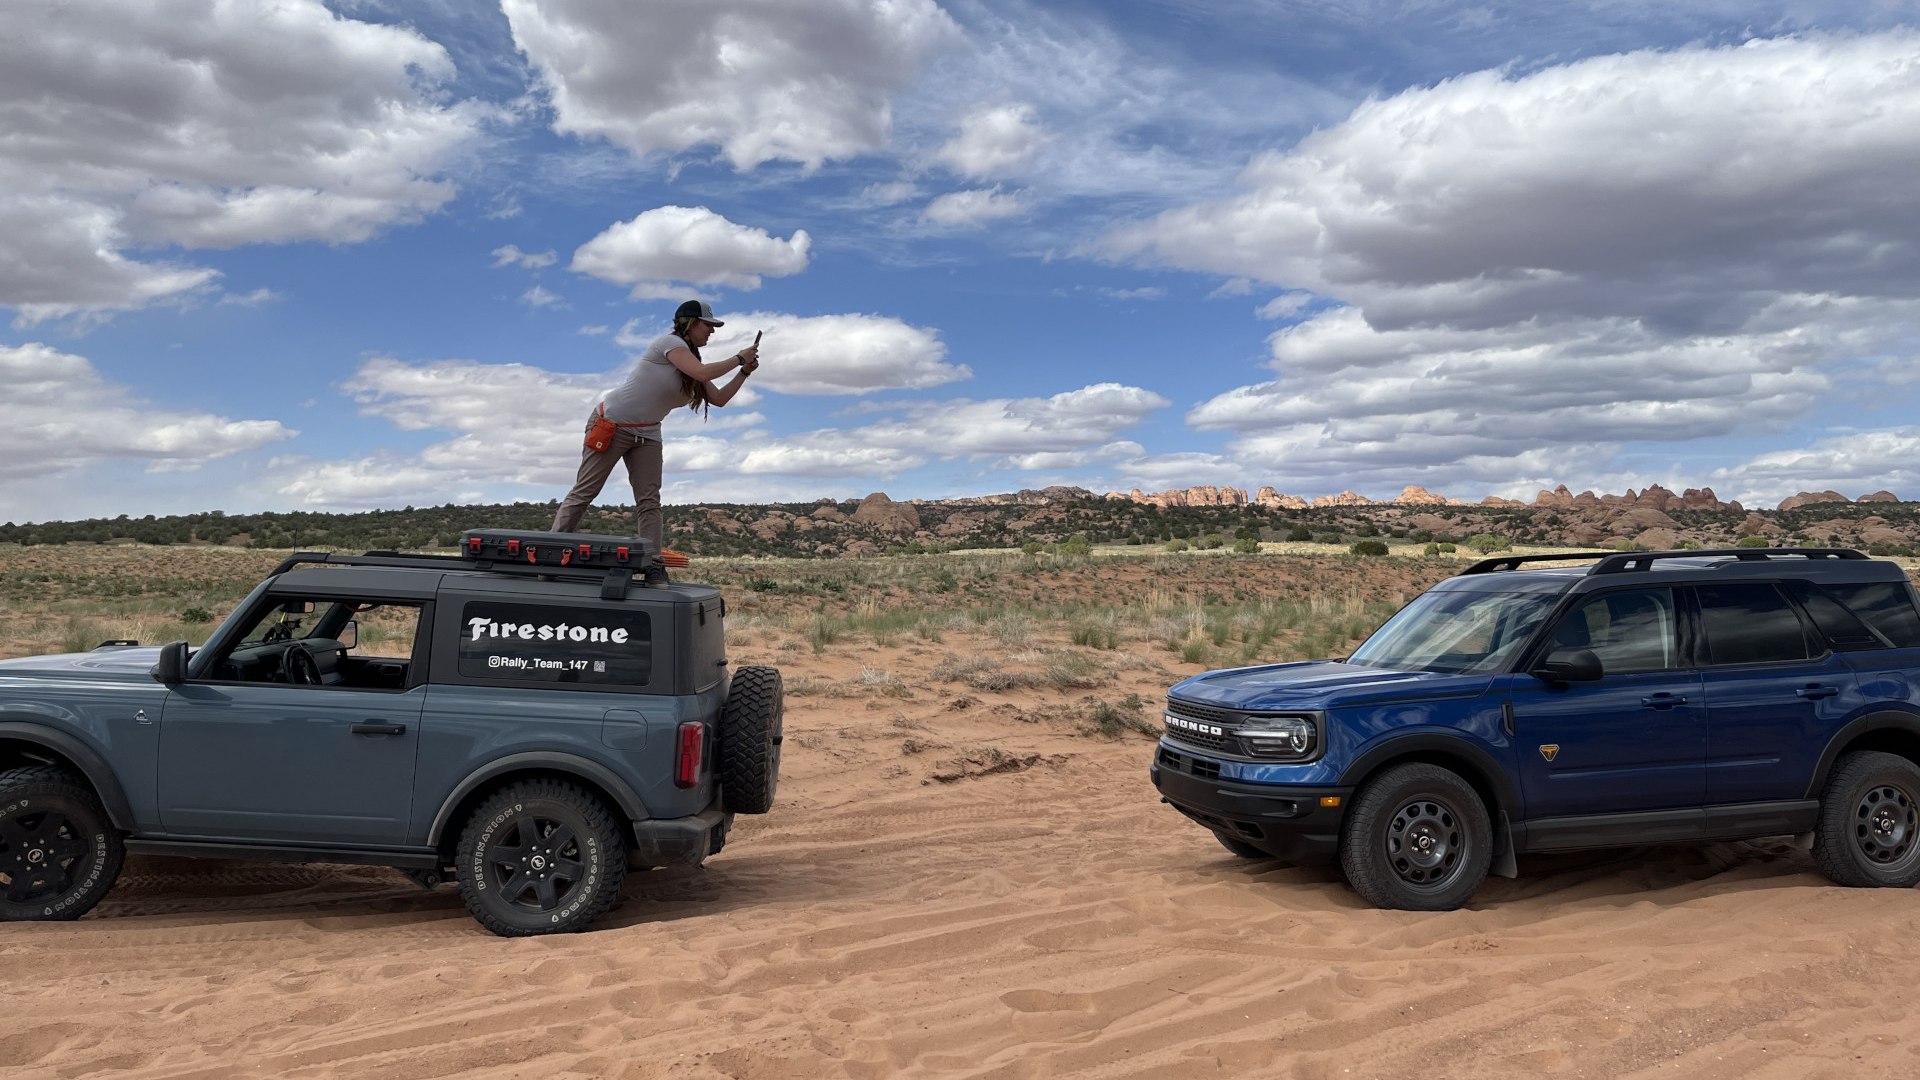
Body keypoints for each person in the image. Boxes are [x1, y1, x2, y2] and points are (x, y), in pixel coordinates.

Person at [552, 299, 758, 549]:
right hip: (611, 425)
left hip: (648, 434)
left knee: (649, 502)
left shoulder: (692, 364)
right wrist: (738, 358)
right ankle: (551, 550)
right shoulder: (670, 344)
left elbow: (719, 399)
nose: (712, 331)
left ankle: (651, 563)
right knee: (585, 492)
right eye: (707, 325)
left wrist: (744, 372)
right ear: (690, 323)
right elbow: (704, 373)